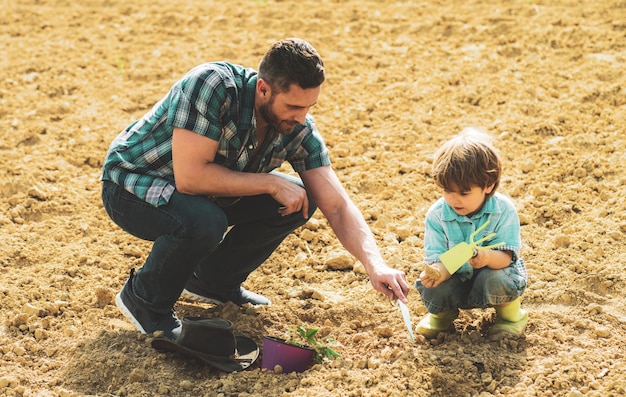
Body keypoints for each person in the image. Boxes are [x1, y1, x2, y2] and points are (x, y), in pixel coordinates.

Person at [100, 38, 410, 339]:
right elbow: (190, 178)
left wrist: (375, 265)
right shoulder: (212, 85)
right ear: (263, 89)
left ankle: (213, 282)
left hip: (200, 197)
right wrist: (270, 182)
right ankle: (145, 300)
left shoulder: (296, 127)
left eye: (308, 107)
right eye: (293, 106)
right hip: (132, 186)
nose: (301, 118)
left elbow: (337, 205)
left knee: (303, 198)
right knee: (206, 220)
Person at [415, 128, 528, 339]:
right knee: (431, 285)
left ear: (489, 185)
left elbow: (506, 258)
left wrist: (486, 257)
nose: (454, 199)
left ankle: (511, 318)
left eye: (464, 193)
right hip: (457, 277)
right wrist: (437, 273)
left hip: (492, 273)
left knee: (497, 278)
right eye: (447, 191)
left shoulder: (503, 211)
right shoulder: (437, 215)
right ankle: (441, 317)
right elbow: (438, 259)